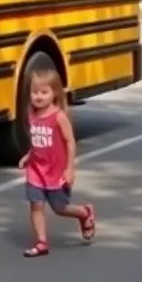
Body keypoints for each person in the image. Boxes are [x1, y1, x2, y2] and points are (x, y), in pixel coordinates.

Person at [19, 64, 96, 257]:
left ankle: (84, 213)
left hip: (56, 172)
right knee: (36, 204)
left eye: (44, 92)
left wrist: (70, 169)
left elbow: (70, 142)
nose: (38, 96)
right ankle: (41, 242)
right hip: (36, 170)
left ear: (54, 93)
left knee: (59, 208)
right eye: (34, 92)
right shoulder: (32, 114)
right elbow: (37, 140)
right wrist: (29, 155)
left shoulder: (58, 117)